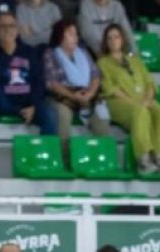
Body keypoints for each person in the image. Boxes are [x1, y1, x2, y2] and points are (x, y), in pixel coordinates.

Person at [0, 11, 57, 151]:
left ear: (17, 30)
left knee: (50, 114)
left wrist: (34, 105)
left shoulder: (29, 52)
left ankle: (45, 152)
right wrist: (6, 54)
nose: (7, 30)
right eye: (2, 26)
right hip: (5, 102)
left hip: (27, 103)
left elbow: (39, 82)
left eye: (11, 26)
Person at [97, 24, 160, 174]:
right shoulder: (102, 63)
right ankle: (144, 160)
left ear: (123, 39)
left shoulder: (135, 60)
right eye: (109, 38)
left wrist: (147, 98)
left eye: (116, 37)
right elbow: (110, 88)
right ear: (105, 42)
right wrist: (137, 103)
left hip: (143, 100)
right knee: (140, 111)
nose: (113, 41)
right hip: (119, 102)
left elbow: (149, 82)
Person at [43, 18, 111, 165]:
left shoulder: (84, 52)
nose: (75, 37)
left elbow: (95, 76)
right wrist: (72, 95)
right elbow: (52, 83)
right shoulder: (51, 54)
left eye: (76, 34)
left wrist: (90, 94)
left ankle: (104, 160)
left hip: (86, 97)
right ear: (60, 36)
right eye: (70, 34)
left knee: (101, 118)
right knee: (63, 115)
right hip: (62, 97)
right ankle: (66, 160)